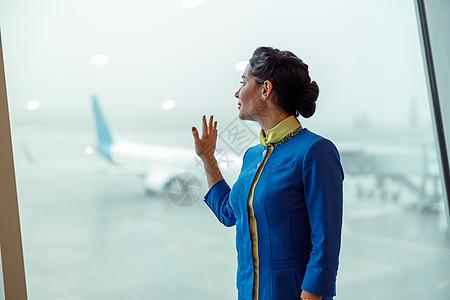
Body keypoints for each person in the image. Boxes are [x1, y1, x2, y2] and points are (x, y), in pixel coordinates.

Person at [191, 46, 344, 300]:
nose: (236, 92)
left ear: (266, 89)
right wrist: (208, 159)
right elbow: (230, 214)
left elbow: (325, 245)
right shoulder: (253, 155)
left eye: (243, 82)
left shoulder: (315, 151)